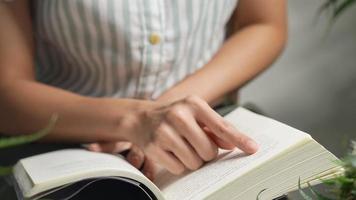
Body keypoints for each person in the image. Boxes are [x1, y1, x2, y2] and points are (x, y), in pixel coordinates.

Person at [0, 0, 287, 180]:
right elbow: (7, 94)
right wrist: (133, 120)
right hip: (69, 141)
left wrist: (170, 111)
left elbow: (264, 24)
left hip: (206, 127)